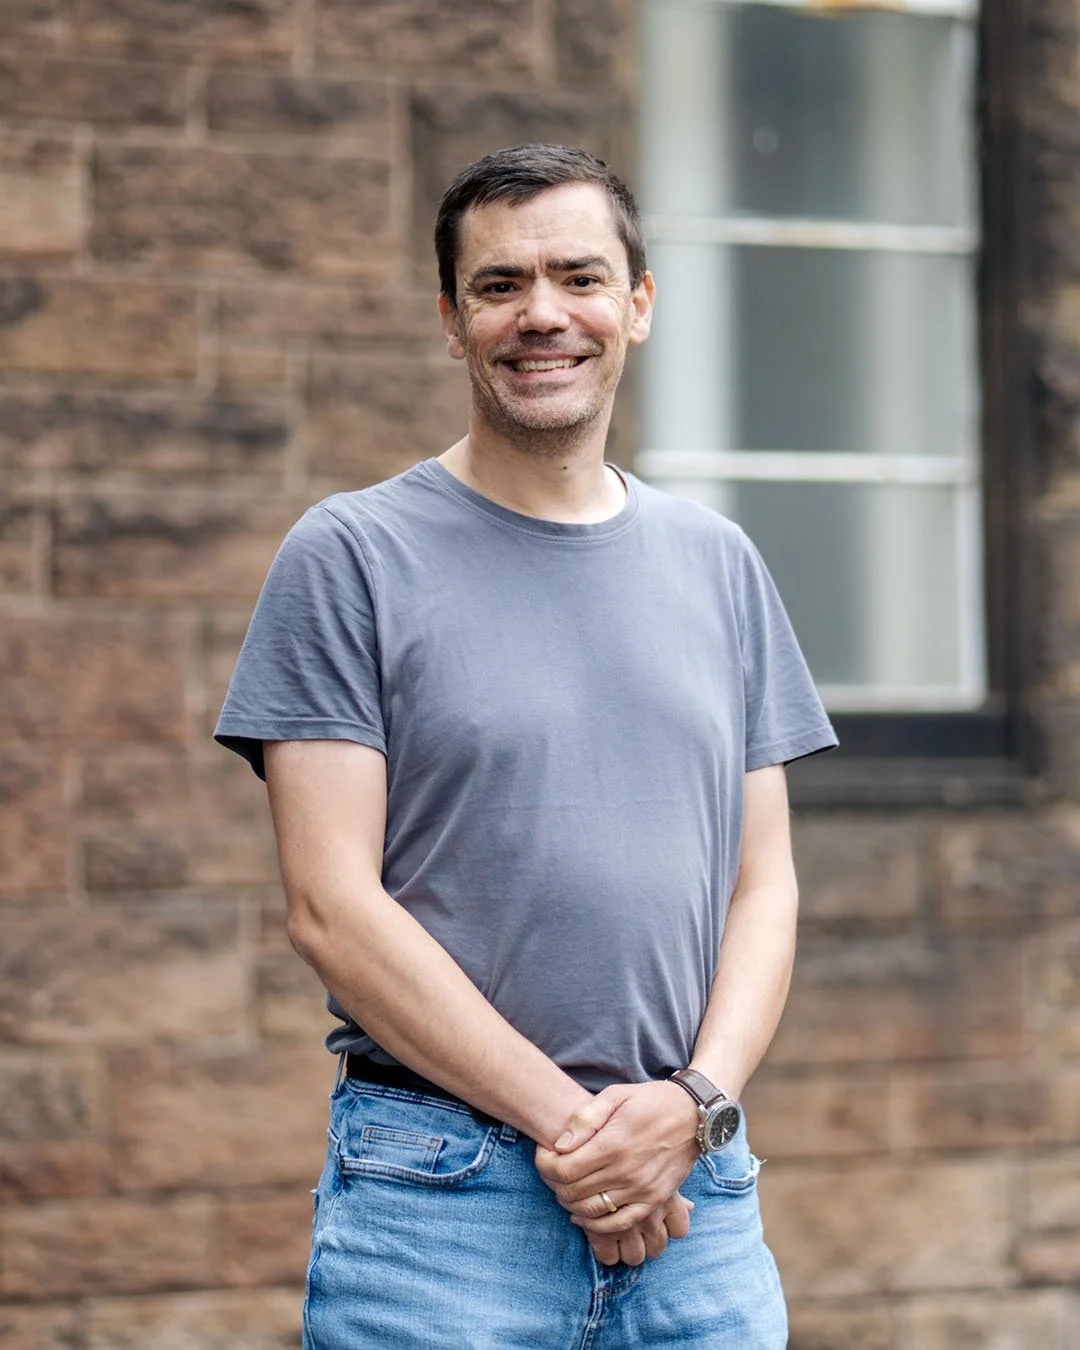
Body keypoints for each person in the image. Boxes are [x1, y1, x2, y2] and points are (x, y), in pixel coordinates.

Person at [215, 142, 837, 1348]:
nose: (541, 315)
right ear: (452, 321)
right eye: (499, 286)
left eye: (579, 278)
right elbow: (330, 907)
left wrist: (693, 1109)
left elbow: (763, 885)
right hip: (442, 1203)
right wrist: (588, 1136)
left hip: (696, 1196)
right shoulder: (349, 559)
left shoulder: (720, 565)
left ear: (639, 304)